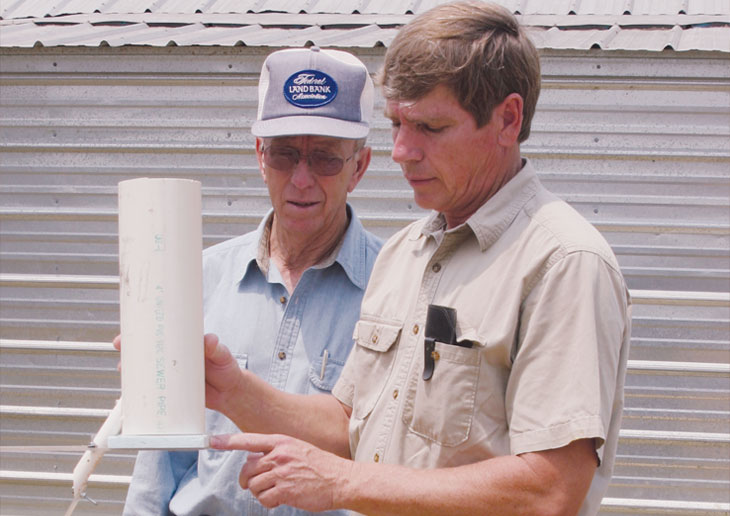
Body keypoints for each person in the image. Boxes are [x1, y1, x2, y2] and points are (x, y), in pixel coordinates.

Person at [206, 2, 632, 515]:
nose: (402, 151)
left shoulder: (563, 261)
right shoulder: (406, 252)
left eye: (429, 127)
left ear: (508, 119)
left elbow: (551, 488)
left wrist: (343, 483)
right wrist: (230, 389)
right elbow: (349, 424)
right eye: (395, 125)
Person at [121, 46, 383, 516]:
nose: (301, 179)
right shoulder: (199, 278)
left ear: (358, 167)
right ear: (261, 156)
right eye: (285, 155)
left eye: (324, 158)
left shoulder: (395, 291)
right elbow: (160, 458)